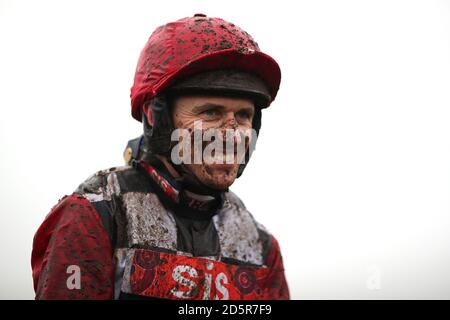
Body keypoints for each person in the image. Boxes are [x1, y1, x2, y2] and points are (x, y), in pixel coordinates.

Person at [31, 13, 289, 300]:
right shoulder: (95, 216)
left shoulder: (261, 246)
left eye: (243, 115)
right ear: (156, 118)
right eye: (210, 112)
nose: (232, 133)